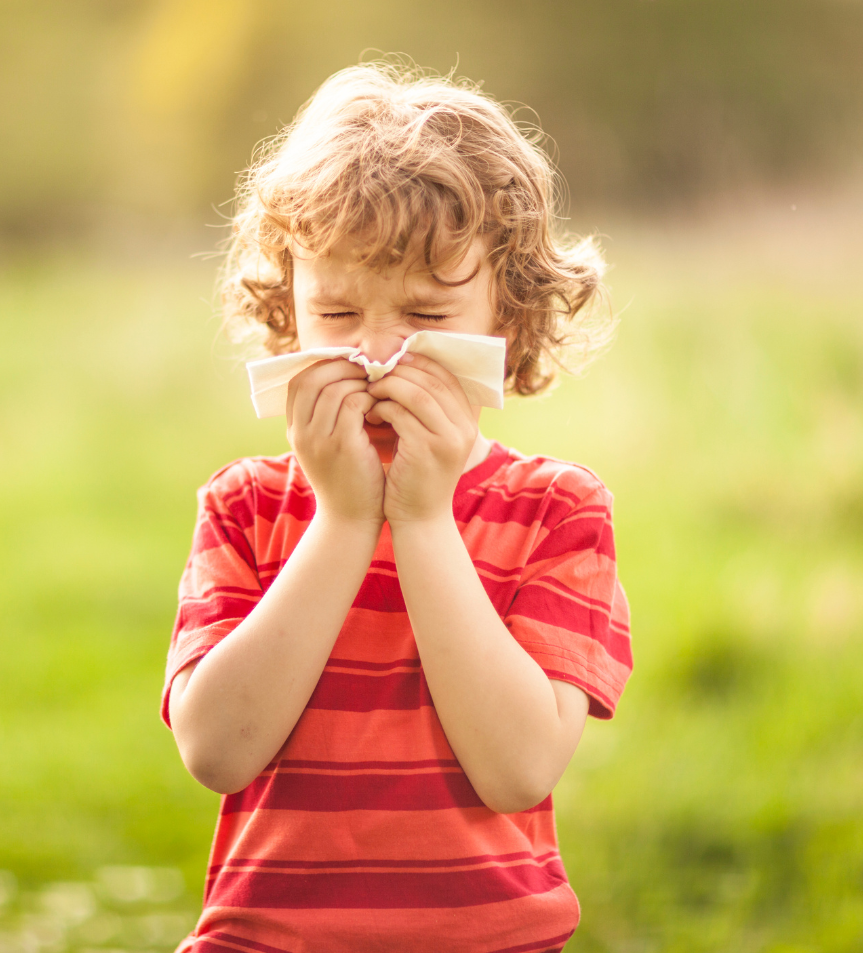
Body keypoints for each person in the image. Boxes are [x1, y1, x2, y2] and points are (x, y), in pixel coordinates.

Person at [162, 60, 632, 953]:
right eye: (337, 312)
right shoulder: (243, 508)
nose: (377, 354)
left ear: (511, 318)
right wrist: (342, 522)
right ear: (287, 311)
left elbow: (518, 766)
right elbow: (216, 750)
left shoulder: (557, 512)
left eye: (424, 312)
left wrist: (420, 522)